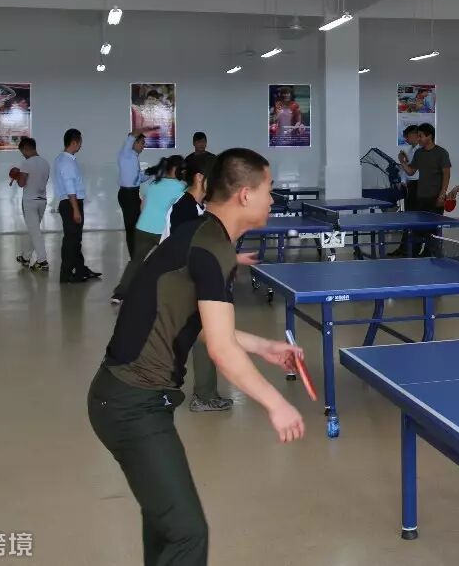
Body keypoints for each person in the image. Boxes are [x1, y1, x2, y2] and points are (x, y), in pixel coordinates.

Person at [88, 148, 306, 566]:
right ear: (245, 194)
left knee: (165, 523)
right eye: (269, 189)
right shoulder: (211, 247)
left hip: (125, 398)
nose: (272, 199)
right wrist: (276, 403)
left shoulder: (202, 235)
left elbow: (196, 323)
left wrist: (263, 346)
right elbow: (221, 350)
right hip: (131, 404)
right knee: (187, 533)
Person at [166, 155, 235, 413]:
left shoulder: (196, 207)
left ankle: (203, 393)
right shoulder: (185, 210)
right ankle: (202, 396)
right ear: (199, 178)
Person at [110, 155, 186, 305]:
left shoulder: (154, 183)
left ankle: (119, 293)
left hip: (143, 227)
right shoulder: (181, 188)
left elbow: (143, 205)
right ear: (177, 169)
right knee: (172, 262)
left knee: (136, 261)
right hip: (163, 230)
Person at [54, 128, 99, 283]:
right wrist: (76, 210)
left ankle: (80, 269)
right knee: (71, 241)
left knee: (74, 239)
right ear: (74, 142)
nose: (81, 145)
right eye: (80, 142)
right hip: (71, 203)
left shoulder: (63, 159)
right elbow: (70, 188)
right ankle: (66, 274)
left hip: (70, 203)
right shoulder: (66, 162)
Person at [400, 123, 450, 257]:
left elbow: (446, 175)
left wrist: (442, 195)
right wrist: (403, 162)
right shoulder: (419, 153)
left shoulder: (441, 153)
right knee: (418, 229)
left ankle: (431, 255)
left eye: (420, 136)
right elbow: (411, 171)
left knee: (433, 231)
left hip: (435, 198)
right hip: (421, 197)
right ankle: (415, 255)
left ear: (429, 136)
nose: (418, 139)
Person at [13, 137, 51, 272]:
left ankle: (42, 261)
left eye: (22, 152)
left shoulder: (27, 163)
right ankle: (26, 257)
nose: (22, 155)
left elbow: (22, 183)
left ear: (25, 149)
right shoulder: (45, 163)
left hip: (30, 201)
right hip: (42, 200)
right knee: (34, 230)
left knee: (35, 232)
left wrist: (17, 176)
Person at [391, 125, 423, 256]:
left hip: (419, 186)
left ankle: (412, 249)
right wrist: (402, 182)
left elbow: (411, 171)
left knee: (415, 218)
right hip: (410, 186)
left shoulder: (421, 151)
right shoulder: (410, 150)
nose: (406, 139)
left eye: (408, 136)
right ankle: (404, 248)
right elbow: (406, 170)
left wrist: (402, 161)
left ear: (416, 135)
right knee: (408, 217)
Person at [117, 132, 149, 257]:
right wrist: (138, 131)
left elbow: (138, 178)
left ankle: (136, 255)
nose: (143, 146)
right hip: (127, 195)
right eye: (142, 143)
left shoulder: (134, 157)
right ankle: (134, 257)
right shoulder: (126, 154)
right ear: (134, 142)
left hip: (133, 194)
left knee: (136, 226)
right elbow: (130, 138)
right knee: (132, 228)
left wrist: (153, 172)